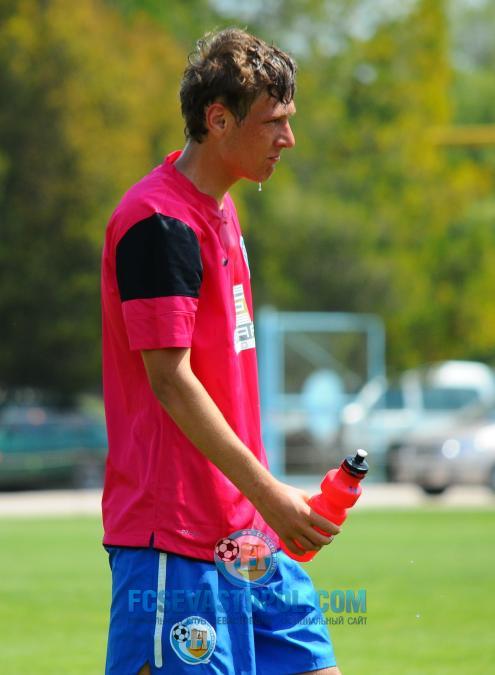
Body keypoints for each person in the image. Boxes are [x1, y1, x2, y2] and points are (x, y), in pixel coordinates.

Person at [101, 27, 342, 675]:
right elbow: (170, 380)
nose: (288, 139)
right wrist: (270, 492)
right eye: (273, 122)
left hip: (247, 538)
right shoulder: (159, 222)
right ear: (218, 119)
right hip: (175, 538)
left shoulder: (223, 211)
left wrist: (261, 504)